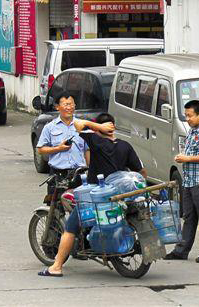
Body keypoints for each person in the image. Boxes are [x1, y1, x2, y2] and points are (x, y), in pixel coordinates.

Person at [38, 112, 146, 277]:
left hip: (97, 196)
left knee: (70, 227)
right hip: (121, 196)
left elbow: (78, 125)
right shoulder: (125, 146)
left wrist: (97, 127)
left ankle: (57, 266)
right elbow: (141, 171)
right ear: (113, 127)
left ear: (99, 128)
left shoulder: (96, 141)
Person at [164, 100, 199, 263]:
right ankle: (181, 251)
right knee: (189, 217)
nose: (187, 119)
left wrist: (187, 158)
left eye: (190, 115)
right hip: (189, 181)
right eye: (186, 115)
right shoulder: (192, 130)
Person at [37, 92, 108, 195]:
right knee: (56, 206)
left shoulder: (82, 126)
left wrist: (91, 171)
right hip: (58, 174)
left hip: (79, 174)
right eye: (66, 104)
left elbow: (87, 149)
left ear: (75, 106)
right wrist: (59, 148)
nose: (69, 107)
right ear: (57, 107)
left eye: (71, 104)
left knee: (80, 206)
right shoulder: (50, 127)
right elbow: (40, 149)